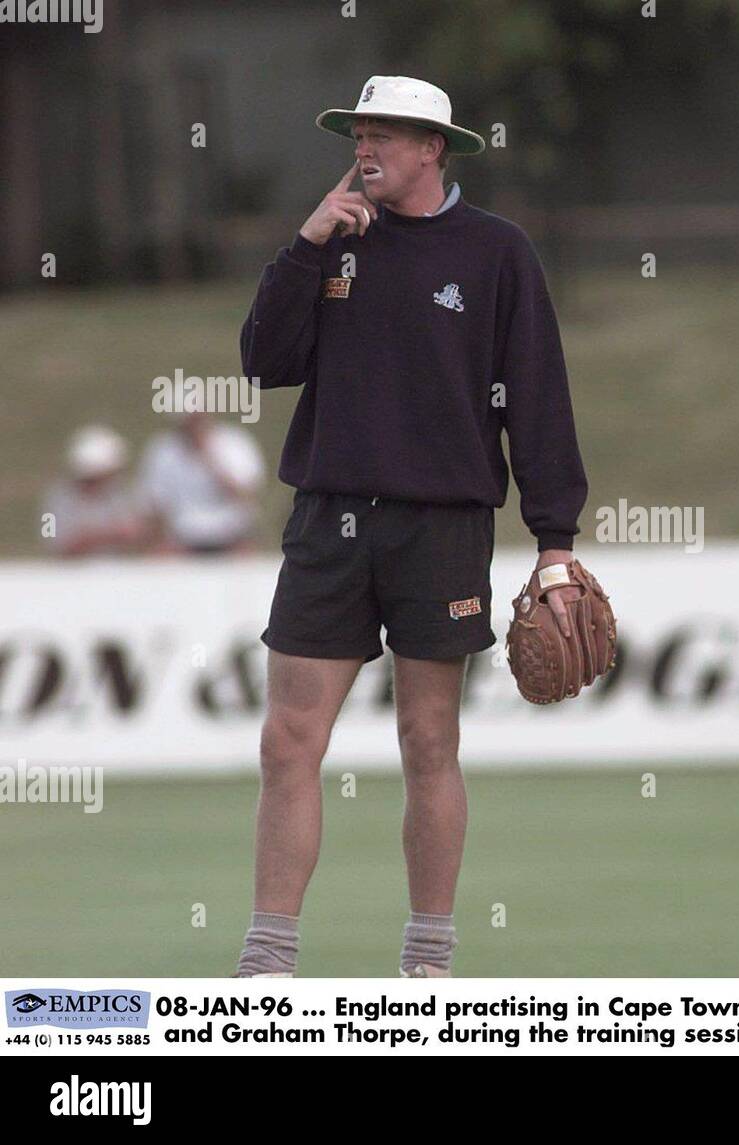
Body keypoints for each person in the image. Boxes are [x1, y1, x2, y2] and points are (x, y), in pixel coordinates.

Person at [234, 76, 589, 978]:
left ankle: (428, 953)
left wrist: (556, 541)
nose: (365, 149)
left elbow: (538, 398)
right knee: (287, 739)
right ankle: (268, 957)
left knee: (428, 739)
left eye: (384, 134)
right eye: (357, 132)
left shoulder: (497, 252)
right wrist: (305, 248)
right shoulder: (331, 243)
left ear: (435, 147)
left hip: (443, 527)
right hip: (330, 516)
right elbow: (262, 362)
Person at [137, 411, 265, 554]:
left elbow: (246, 495)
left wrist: (208, 457)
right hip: (182, 541)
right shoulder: (163, 450)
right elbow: (154, 505)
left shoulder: (235, 442)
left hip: (232, 537)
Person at [44, 425, 146, 557]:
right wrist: (108, 534)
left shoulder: (120, 493)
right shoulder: (58, 499)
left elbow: (137, 532)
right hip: (72, 575)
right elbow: (59, 545)